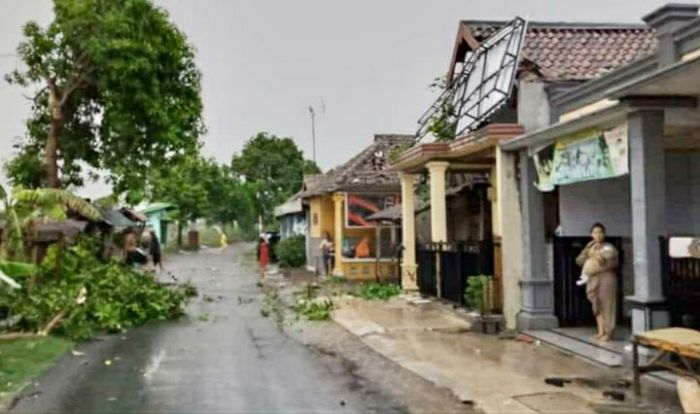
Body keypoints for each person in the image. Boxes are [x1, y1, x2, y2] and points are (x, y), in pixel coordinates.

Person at [576, 223, 619, 342]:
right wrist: (588, 250)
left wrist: (596, 254)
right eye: (595, 233)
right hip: (592, 278)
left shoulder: (608, 247)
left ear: (604, 234)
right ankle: (600, 331)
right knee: (597, 305)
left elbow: (608, 256)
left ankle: (608, 332)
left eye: (600, 232)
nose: (598, 235)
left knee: (607, 305)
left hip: (606, 277)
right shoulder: (590, 247)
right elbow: (579, 260)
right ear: (591, 235)